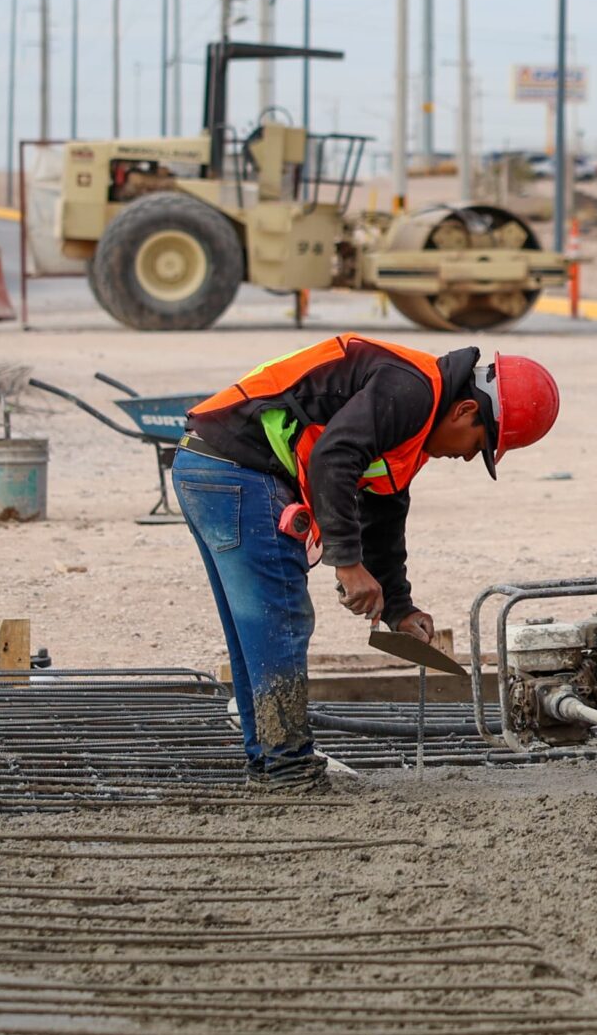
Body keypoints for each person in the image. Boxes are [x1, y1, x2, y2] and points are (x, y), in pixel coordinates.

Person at [178, 338, 560, 789]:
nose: (466, 456)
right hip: (236, 469)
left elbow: (383, 515)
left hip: (211, 467)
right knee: (278, 619)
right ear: (465, 410)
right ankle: (287, 769)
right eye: (478, 445)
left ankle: (271, 764)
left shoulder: (412, 424)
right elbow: (333, 457)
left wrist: (399, 607)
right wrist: (347, 564)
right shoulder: (412, 390)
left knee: (257, 630)